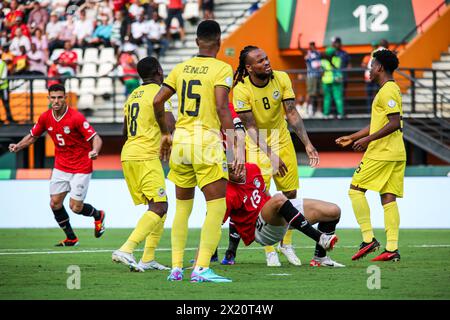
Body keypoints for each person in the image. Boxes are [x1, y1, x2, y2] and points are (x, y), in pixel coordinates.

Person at [153, 20, 244, 283]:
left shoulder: (180, 68)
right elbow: (221, 108)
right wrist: (235, 148)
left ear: (196, 42)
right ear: (219, 42)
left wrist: (165, 133)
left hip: (180, 142)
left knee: (182, 208)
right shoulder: (221, 68)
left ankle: (176, 268)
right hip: (206, 143)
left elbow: (158, 100)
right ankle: (202, 268)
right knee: (216, 206)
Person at [232, 45, 320, 267]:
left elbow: (291, 112)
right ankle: (269, 248)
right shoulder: (241, 89)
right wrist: (270, 155)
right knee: (263, 197)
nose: (267, 62)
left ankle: (286, 244)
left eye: (267, 58)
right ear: (249, 67)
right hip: (257, 142)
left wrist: (307, 144)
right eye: (260, 61)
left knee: (290, 193)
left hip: (281, 138)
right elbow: (250, 127)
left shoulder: (281, 78)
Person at [8, 84, 106, 246]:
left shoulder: (76, 117)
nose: (56, 101)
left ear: (65, 98)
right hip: (61, 166)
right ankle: (71, 238)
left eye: (60, 97)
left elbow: (96, 138)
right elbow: (33, 136)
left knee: (75, 207)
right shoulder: (45, 117)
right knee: (54, 203)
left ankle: (98, 215)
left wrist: (95, 150)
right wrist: (18, 146)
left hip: (81, 166)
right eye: (53, 97)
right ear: (48, 98)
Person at [335, 49, 404, 262]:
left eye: (371, 66)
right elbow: (380, 122)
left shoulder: (387, 91)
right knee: (388, 197)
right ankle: (391, 248)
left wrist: (367, 140)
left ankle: (368, 239)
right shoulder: (389, 89)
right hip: (396, 152)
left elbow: (394, 123)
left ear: (380, 67)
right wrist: (353, 136)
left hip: (382, 152)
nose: (370, 70)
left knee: (355, 190)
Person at [112, 57, 175, 272]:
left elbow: (124, 131)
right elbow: (170, 123)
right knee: (160, 206)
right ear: (159, 70)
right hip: (145, 155)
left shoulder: (132, 96)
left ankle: (148, 258)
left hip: (129, 153)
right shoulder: (160, 93)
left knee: (159, 205)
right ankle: (126, 249)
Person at [223, 162, 342, 267]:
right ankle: (320, 237)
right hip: (259, 230)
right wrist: (229, 251)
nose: (239, 173)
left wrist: (277, 212)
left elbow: (266, 195)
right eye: (233, 171)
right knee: (279, 198)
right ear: (225, 173)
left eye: (240, 167)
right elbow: (218, 222)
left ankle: (320, 258)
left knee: (333, 211)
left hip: (273, 215)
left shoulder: (252, 168)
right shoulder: (227, 193)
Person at [321, 46, 344, 118]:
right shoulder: (325, 61)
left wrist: (330, 61)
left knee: (334, 97)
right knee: (332, 98)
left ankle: (332, 114)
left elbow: (336, 67)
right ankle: (328, 114)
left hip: (332, 81)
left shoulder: (335, 59)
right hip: (329, 81)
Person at [0, 55, 15, 124]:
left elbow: (3, 77)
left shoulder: (3, 64)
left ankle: (9, 118)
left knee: (6, 103)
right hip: (2, 86)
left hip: (3, 87)